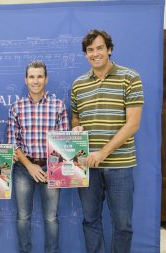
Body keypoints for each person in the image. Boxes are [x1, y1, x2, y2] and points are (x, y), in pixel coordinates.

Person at [71, 29, 144, 253]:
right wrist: (76, 127)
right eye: (90, 50)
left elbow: (133, 124)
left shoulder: (130, 78)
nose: (95, 54)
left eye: (100, 48)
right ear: (86, 54)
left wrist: (102, 153)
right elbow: (75, 117)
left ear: (109, 49)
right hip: (86, 166)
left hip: (120, 165)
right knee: (90, 220)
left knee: (122, 225)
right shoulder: (78, 85)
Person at [7, 60, 69, 253]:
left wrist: (53, 168)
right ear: (26, 80)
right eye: (32, 77)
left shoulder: (58, 106)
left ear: (46, 79)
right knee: (23, 217)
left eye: (39, 76)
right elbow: (12, 143)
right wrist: (29, 166)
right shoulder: (16, 107)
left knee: (51, 218)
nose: (35, 81)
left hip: (51, 168)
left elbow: (64, 143)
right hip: (23, 169)